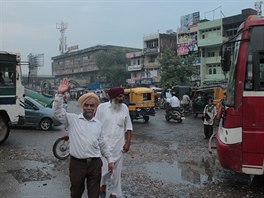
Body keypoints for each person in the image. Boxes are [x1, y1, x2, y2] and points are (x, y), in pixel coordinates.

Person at [52, 78, 114, 198]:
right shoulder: (72, 120)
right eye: (86, 105)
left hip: (95, 164)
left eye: (92, 105)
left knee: (94, 194)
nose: (89, 108)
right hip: (77, 164)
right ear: (82, 106)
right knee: (76, 192)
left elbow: (103, 143)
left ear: (95, 107)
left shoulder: (98, 124)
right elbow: (57, 112)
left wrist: (110, 160)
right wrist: (59, 94)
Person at [95, 87, 132, 198]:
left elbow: (128, 127)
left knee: (116, 173)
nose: (122, 98)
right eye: (120, 96)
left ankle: (114, 193)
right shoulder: (102, 108)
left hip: (118, 146)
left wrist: (128, 143)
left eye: (123, 96)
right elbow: (95, 125)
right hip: (103, 146)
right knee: (103, 169)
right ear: (112, 97)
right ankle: (103, 185)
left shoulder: (124, 108)